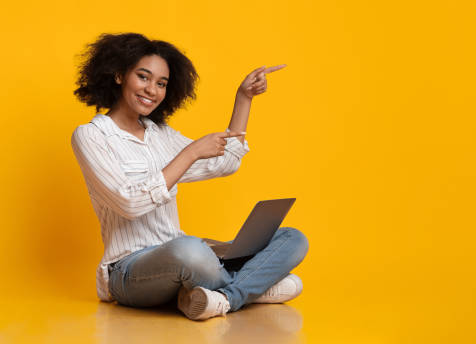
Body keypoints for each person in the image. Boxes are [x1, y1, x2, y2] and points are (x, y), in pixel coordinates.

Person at [70, 32, 309, 321]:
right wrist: (190, 153)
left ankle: (220, 297)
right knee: (191, 250)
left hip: (187, 259)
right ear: (120, 75)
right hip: (129, 271)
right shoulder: (92, 136)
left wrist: (244, 98)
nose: (152, 90)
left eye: (161, 84)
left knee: (293, 238)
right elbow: (129, 204)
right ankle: (252, 287)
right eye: (143, 77)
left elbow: (225, 163)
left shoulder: (160, 134)